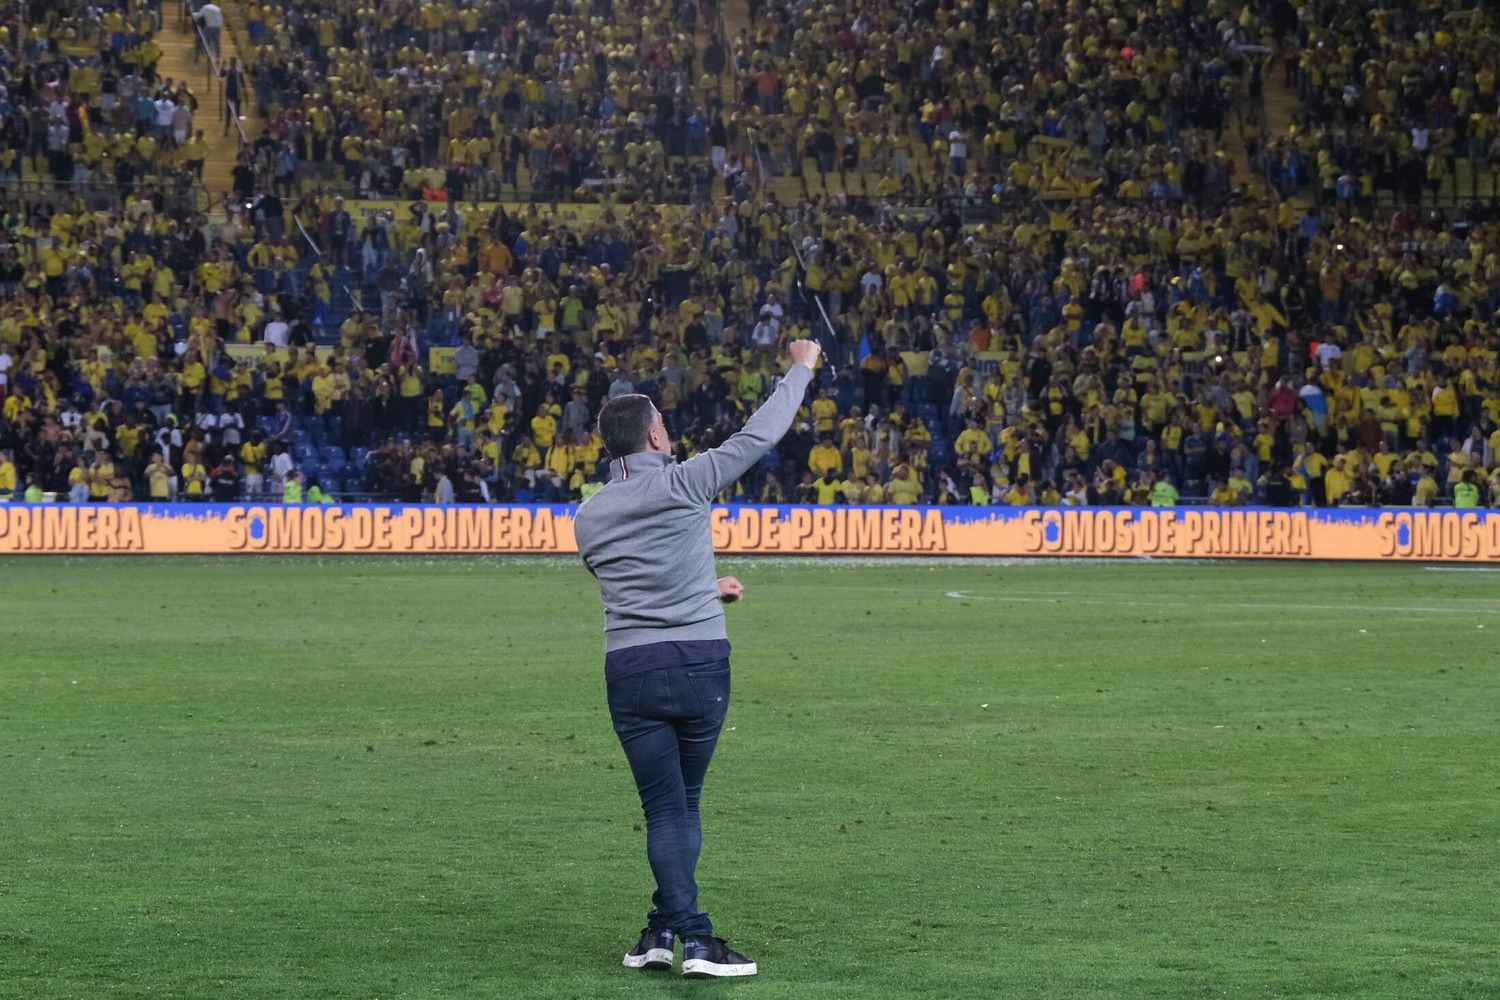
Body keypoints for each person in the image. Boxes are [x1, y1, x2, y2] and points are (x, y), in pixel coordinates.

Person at [573, 338, 821, 979]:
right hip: (702, 664)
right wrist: (801, 368)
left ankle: (659, 930)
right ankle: (697, 940)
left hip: (631, 671)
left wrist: (705, 588)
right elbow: (758, 434)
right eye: (665, 424)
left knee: (669, 808)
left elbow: (632, 582)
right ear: (654, 438)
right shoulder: (687, 481)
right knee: (681, 806)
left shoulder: (589, 516)